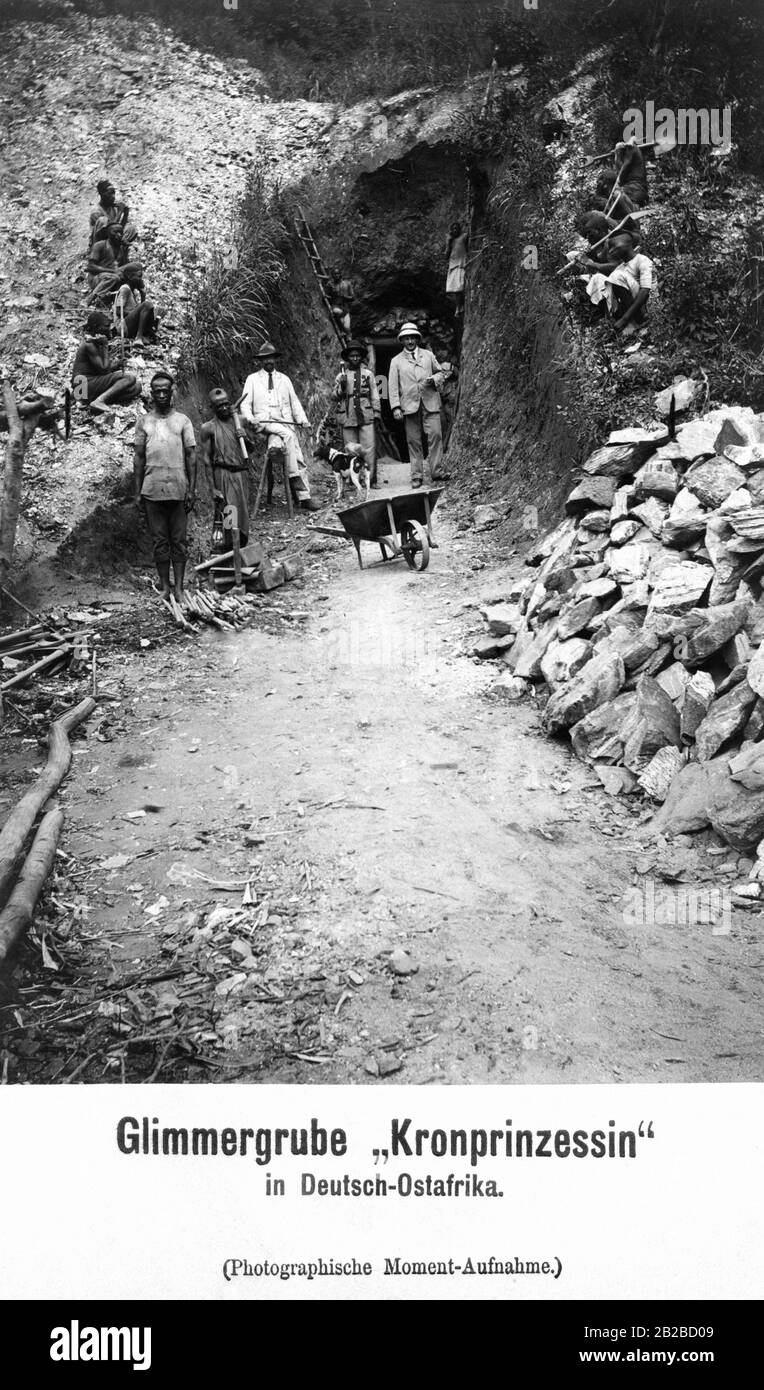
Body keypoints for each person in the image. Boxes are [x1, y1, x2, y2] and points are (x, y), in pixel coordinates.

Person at [133, 371, 197, 602]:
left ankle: (179, 587)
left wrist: (192, 489)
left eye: (165, 391)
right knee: (159, 540)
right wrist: (137, 491)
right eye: (157, 391)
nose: (161, 394)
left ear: (172, 393)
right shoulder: (144, 422)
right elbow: (138, 458)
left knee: (178, 540)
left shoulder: (182, 421)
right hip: (152, 489)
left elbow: (191, 456)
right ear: (152, 393)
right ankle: (165, 587)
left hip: (178, 489)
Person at [238, 340, 321, 511]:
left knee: (298, 456)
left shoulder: (284, 379)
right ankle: (293, 477)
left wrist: (303, 420)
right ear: (260, 361)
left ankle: (304, 497)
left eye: (271, 358)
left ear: (275, 359)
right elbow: (245, 404)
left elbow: (295, 402)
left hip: (284, 421)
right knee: (289, 436)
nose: (268, 361)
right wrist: (250, 417)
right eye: (265, 359)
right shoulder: (252, 379)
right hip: (264, 421)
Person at [388, 322, 449, 488]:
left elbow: (441, 372)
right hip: (409, 405)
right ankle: (416, 476)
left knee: (436, 435)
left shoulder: (428, 355)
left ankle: (436, 471)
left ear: (417, 338)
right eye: (406, 338)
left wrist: (435, 379)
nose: (410, 341)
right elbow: (392, 386)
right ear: (402, 340)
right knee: (413, 441)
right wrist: (395, 407)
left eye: (412, 338)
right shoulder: (396, 361)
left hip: (430, 401)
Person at [200, 388, 252, 550]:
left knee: (242, 515)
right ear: (212, 408)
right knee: (229, 513)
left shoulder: (240, 421)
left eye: (225, 404)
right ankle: (229, 550)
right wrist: (212, 488)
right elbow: (206, 460)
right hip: (222, 474)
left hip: (240, 474)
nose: (223, 408)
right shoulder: (208, 428)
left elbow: (251, 449)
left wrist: (245, 437)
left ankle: (241, 549)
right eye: (219, 406)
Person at [332, 339, 382, 488]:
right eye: (352, 356)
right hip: (347, 415)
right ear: (347, 358)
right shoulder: (341, 375)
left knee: (368, 448)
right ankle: (353, 480)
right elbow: (334, 396)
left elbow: (374, 393)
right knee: (350, 448)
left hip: (365, 414)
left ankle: (370, 480)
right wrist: (341, 386)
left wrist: (377, 412)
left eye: (357, 356)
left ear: (361, 357)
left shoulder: (368, 374)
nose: (355, 358)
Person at [71, 310, 139, 414]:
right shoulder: (90, 344)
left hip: (86, 386)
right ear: (96, 327)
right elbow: (104, 370)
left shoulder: (96, 342)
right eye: (106, 326)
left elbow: (100, 369)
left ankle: (90, 400)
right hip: (83, 385)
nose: (109, 328)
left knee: (136, 388)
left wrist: (117, 365)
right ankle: (99, 401)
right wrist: (105, 346)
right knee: (129, 378)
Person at [585, 231, 655, 333]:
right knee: (598, 278)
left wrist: (624, 319)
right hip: (631, 302)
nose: (611, 251)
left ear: (628, 244)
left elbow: (645, 290)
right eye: (610, 248)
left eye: (614, 246)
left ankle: (636, 319)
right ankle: (610, 319)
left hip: (647, 304)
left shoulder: (642, 260)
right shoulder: (622, 266)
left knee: (616, 275)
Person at [112, 263, 157, 346]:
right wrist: (135, 314)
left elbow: (143, 310)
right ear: (130, 277)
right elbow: (119, 311)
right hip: (122, 327)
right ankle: (138, 338)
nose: (141, 280)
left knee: (153, 311)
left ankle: (144, 336)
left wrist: (143, 294)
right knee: (148, 304)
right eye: (139, 277)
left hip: (128, 324)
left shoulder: (133, 292)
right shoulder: (125, 289)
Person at [88, 179, 130, 248]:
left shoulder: (112, 208)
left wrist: (125, 214)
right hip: (101, 244)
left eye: (114, 193)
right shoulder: (96, 212)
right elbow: (110, 230)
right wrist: (119, 212)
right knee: (103, 220)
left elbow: (119, 228)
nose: (113, 196)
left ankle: (121, 249)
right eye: (109, 193)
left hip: (112, 239)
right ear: (101, 194)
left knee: (130, 229)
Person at [445, 222, 469, 316]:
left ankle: (459, 307)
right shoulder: (450, 240)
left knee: (459, 287)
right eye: (453, 229)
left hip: (461, 264)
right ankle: (458, 306)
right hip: (453, 266)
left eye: (456, 228)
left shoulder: (464, 236)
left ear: (459, 229)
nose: (455, 230)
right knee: (453, 289)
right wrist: (448, 243)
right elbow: (446, 256)